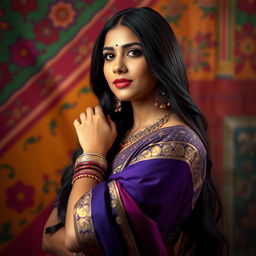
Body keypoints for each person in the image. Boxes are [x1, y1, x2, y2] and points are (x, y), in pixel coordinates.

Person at [42, 7, 228, 256]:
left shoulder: (176, 146)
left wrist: (92, 155)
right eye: (109, 56)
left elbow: (75, 236)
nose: (118, 66)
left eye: (133, 52)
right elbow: (49, 236)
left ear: (160, 58)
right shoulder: (114, 133)